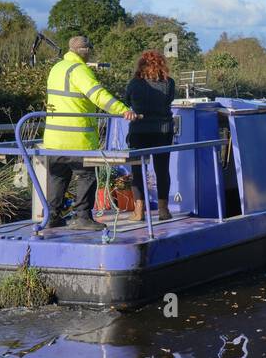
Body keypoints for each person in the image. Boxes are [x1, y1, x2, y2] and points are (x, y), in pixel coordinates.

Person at [43, 36, 138, 230]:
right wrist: (123, 110)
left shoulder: (56, 68)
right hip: (76, 138)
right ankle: (82, 217)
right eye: (89, 51)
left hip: (53, 138)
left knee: (57, 177)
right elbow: (98, 95)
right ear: (84, 51)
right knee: (87, 175)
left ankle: (51, 217)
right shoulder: (79, 70)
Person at [124, 49, 177, 222]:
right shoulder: (169, 83)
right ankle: (163, 211)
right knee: (162, 170)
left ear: (141, 65)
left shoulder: (134, 83)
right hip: (162, 131)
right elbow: (169, 100)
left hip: (139, 131)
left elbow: (127, 101)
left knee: (138, 171)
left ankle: (139, 212)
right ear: (162, 65)